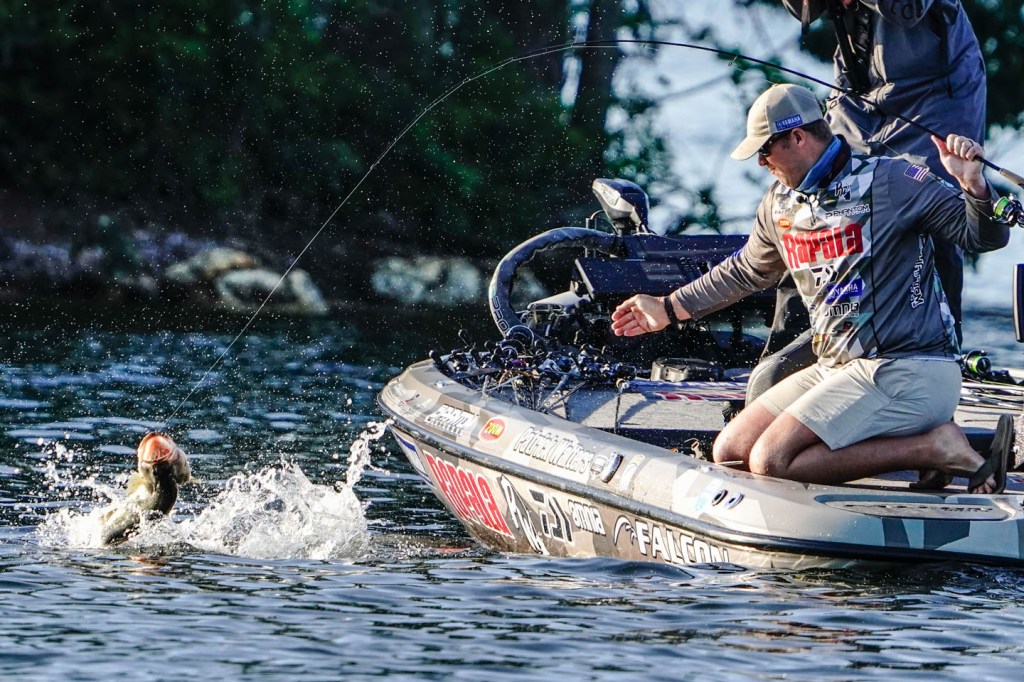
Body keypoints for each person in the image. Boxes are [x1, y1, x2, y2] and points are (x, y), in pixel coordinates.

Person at [611, 84, 1011, 492]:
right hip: (835, 368)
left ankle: (934, 447)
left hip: (907, 368)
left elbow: (984, 237)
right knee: (732, 449)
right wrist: (668, 307)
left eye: (765, 150)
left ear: (798, 137)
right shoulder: (780, 203)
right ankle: (919, 446)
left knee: (771, 460)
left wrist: (974, 186)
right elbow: (746, 271)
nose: (761, 162)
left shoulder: (892, 180)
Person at [750, 0, 988, 403]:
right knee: (810, 203)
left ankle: (936, 373)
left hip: (936, 92)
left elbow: (907, 10)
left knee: (928, 209)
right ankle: (782, 370)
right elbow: (804, 10)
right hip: (858, 94)